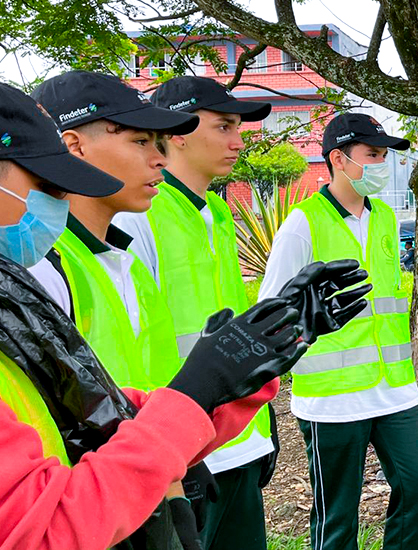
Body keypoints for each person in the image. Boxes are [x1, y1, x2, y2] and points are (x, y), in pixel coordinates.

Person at [0, 75, 307, 550]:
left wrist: (235, 378)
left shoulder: (22, 287)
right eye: (42, 182)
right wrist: (196, 399)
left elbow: (95, 410)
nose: (53, 201)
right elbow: (38, 527)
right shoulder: (40, 275)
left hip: (140, 490)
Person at [259, 113, 418, 550]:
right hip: (332, 397)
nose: (382, 164)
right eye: (373, 155)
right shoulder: (303, 223)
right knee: (338, 514)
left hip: (394, 387)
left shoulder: (384, 218)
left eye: (385, 155)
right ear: (339, 159)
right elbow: (269, 310)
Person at [113, 75, 277, 550]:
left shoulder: (218, 214)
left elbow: (233, 334)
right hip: (179, 450)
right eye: (224, 126)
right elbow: (128, 347)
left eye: (238, 128)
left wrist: (260, 433)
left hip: (234, 440)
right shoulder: (137, 216)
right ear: (179, 131)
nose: (238, 140)